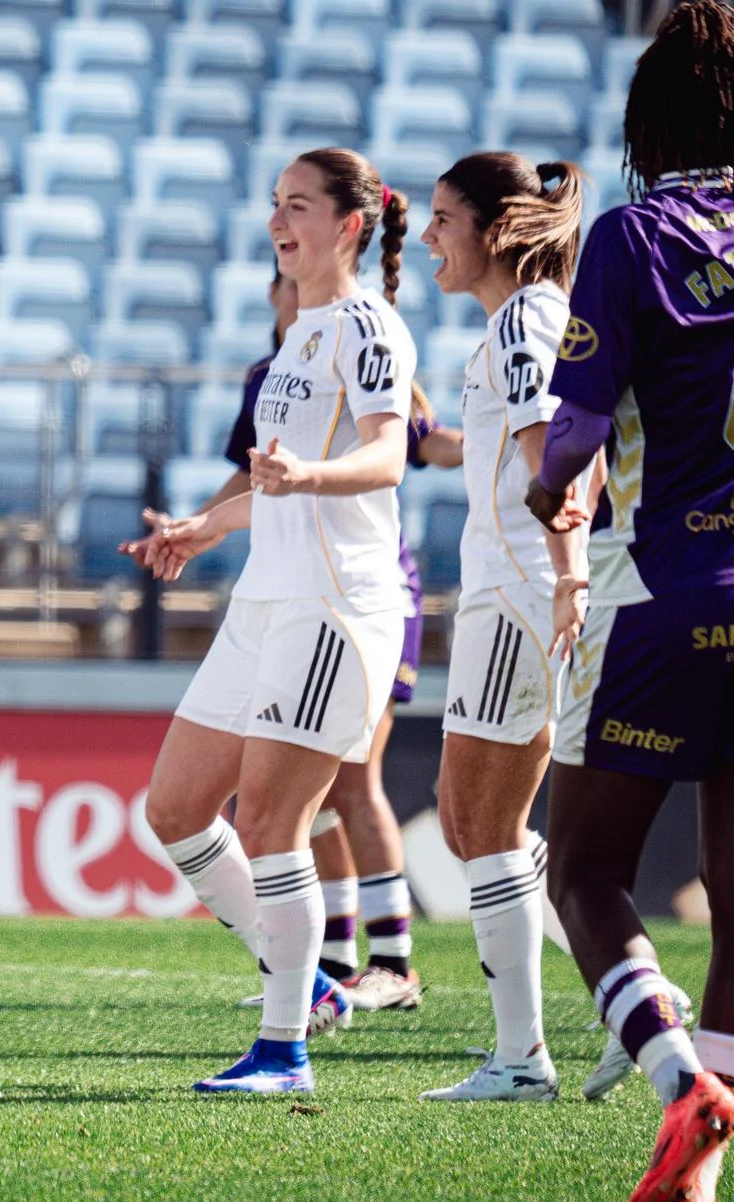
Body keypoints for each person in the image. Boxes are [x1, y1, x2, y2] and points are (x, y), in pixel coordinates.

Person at [123, 148, 417, 1094]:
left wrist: (305, 478)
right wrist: (200, 530)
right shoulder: (299, 336)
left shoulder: (371, 327)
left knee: (271, 824)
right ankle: (312, 983)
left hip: (334, 611)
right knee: (172, 809)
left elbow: (387, 458)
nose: (279, 222)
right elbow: (270, 483)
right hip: (262, 606)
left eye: (299, 206)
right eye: (274, 206)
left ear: (349, 226)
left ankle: (285, 1049)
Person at [527, 3, 734, 1196]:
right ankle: (702, 1168)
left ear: (647, 121)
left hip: (667, 589)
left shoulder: (633, 233)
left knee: (585, 869)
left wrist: (548, 481)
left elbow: (577, 429)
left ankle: (677, 1084)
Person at [414, 151, 612, 1102]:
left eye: (444, 219)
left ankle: (525, 1057)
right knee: (468, 824)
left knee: (483, 826)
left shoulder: (527, 321)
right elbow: (526, 443)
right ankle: (631, 1003)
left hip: (525, 592)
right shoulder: (518, 325)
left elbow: (563, 461)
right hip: (512, 589)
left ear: (494, 230)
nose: (427, 237)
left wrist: (569, 576)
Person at [211, 271, 461, 1016]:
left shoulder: (359, 344)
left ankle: (394, 960)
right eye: (281, 293)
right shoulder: (272, 376)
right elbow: (243, 484)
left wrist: (493, 440)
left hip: (371, 593)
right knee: (311, 793)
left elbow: (416, 445)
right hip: (296, 592)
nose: (290, 299)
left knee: (354, 780)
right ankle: (335, 958)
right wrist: (194, 528)